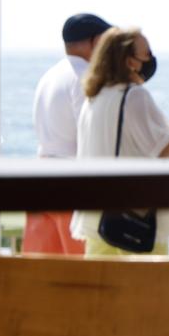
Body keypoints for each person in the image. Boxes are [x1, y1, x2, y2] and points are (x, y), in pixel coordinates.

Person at [70, 28, 169, 255]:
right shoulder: (134, 96)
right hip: (135, 220)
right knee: (149, 289)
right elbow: (161, 149)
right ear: (129, 61)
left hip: (98, 219)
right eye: (146, 53)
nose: (150, 59)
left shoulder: (94, 97)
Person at [23, 13, 112, 254]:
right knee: (80, 279)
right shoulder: (87, 78)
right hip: (72, 186)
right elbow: (90, 136)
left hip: (40, 181)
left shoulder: (49, 76)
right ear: (94, 42)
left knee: (41, 279)